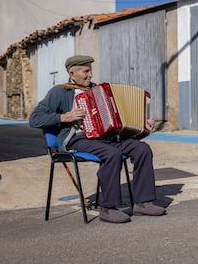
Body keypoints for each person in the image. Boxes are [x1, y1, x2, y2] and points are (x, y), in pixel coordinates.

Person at [29, 55, 166, 223]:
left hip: (105, 138)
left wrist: (144, 127)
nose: (90, 75)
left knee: (142, 149)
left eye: (90, 71)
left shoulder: (99, 91)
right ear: (72, 73)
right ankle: (108, 208)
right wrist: (65, 117)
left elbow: (117, 121)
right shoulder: (59, 92)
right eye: (86, 71)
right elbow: (35, 119)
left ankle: (143, 203)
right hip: (78, 138)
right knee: (112, 153)